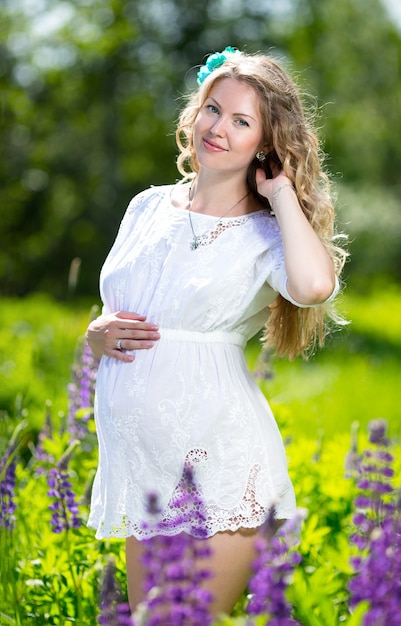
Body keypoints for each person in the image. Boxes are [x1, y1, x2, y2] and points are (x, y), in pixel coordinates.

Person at [86, 47, 347, 618]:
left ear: (267, 144)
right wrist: (95, 336)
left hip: (218, 468)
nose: (218, 128)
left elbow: (313, 286)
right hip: (145, 470)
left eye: (242, 121)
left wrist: (280, 193)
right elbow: (116, 307)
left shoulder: (265, 235)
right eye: (212, 109)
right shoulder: (147, 207)